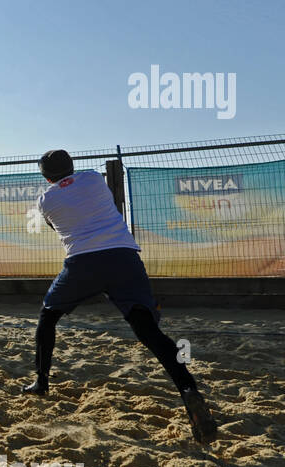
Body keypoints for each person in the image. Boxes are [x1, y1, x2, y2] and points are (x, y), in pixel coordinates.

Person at [23, 150, 218, 445]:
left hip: (82, 263)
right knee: (150, 332)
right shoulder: (92, 179)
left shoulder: (46, 200)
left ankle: (41, 381)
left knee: (48, 316)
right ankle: (188, 389)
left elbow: (56, 226)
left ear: (46, 176)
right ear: (72, 166)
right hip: (124, 257)